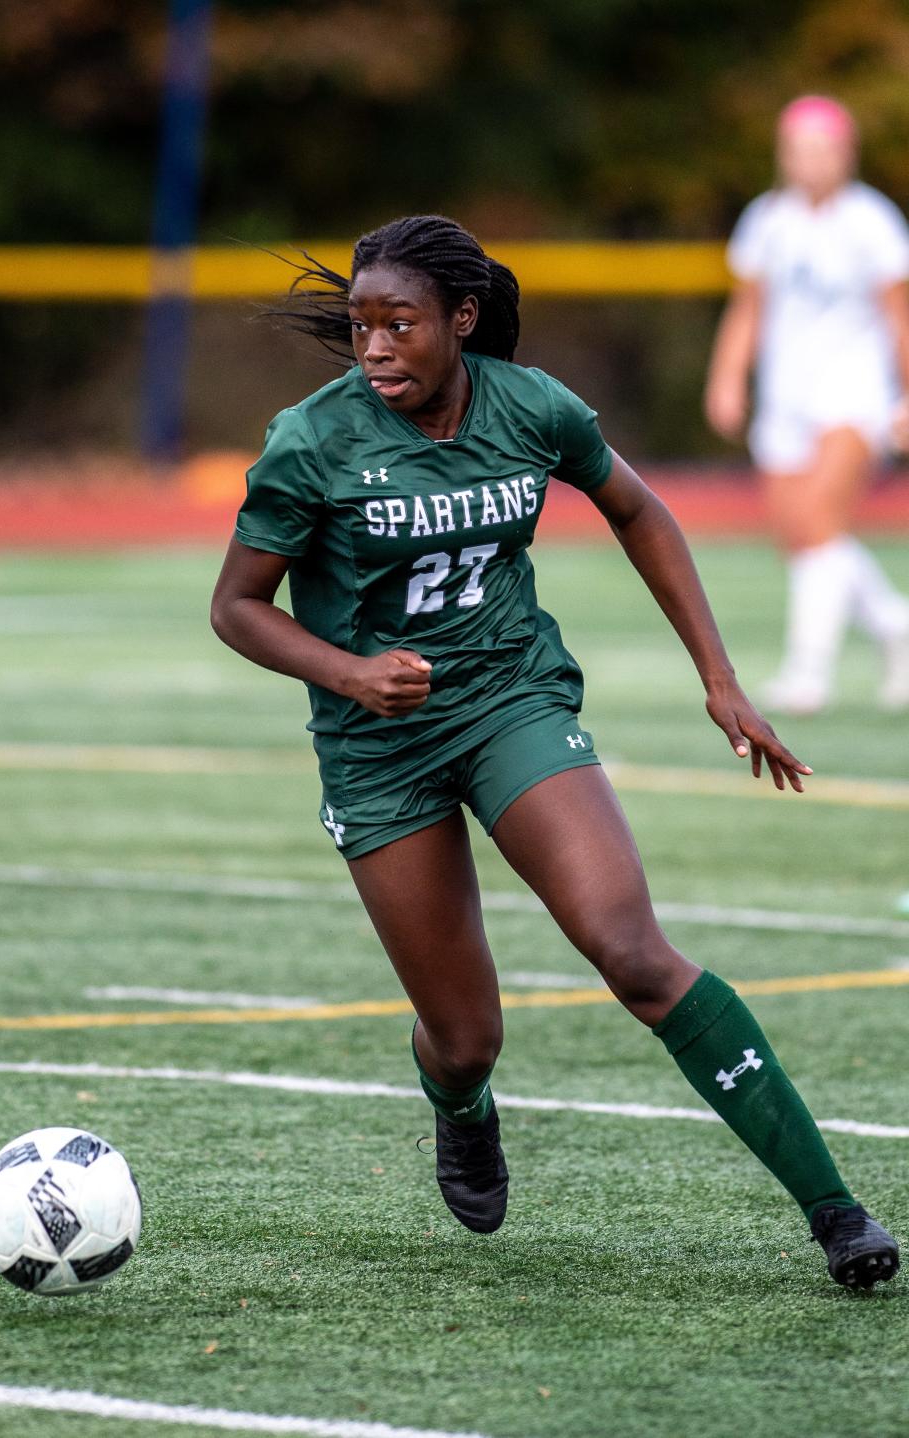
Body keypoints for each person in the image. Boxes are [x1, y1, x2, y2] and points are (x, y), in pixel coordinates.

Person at [211, 214, 898, 1288]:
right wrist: (349, 673)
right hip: (377, 748)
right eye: (361, 326)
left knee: (633, 951)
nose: (377, 347)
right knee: (467, 1034)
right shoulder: (312, 439)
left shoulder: (531, 406)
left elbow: (642, 511)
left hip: (511, 702)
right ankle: (461, 1102)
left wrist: (719, 678)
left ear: (464, 321)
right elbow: (236, 607)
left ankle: (838, 1212)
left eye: (401, 324)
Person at [705, 95, 909, 715]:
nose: (811, 162)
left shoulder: (872, 222)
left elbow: (898, 316)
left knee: (821, 521)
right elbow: (750, 309)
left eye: (823, 150)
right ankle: (897, 626)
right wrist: (728, 377)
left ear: (845, 155)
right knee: (801, 535)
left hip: (853, 394)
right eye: (799, 151)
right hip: (785, 399)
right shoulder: (768, 220)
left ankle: (808, 672)